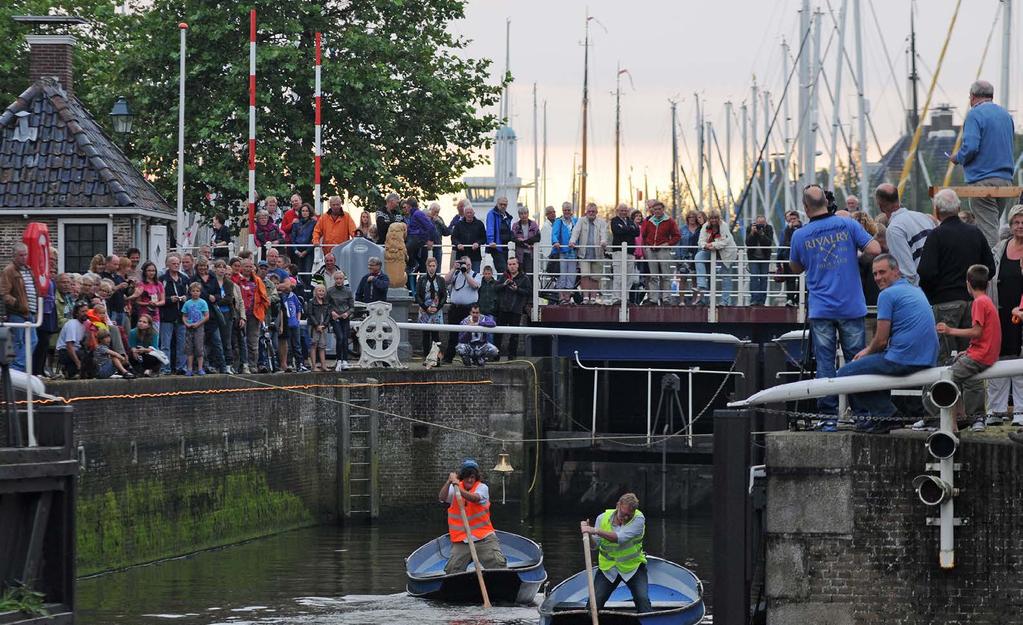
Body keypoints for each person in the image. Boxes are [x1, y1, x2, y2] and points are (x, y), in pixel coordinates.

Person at [789, 185, 881, 430]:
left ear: (806, 208)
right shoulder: (848, 225)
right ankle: (862, 416)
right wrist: (854, 257)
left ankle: (828, 418)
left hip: (821, 309)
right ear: (827, 204)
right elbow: (875, 249)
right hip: (851, 305)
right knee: (856, 362)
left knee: (825, 364)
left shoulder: (800, 235)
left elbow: (796, 268)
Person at [917, 189, 995, 426]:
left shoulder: (936, 236)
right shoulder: (975, 233)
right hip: (973, 304)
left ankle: (936, 416)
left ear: (937, 211)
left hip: (945, 303)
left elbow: (926, 272)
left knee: (941, 360)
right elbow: (989, 266)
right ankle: (976, 417)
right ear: (959, 207)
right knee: (972, 357)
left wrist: (933, 294)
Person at [835, 255, 939, 432]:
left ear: (896, 271)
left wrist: (866, 351)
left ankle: (886, 414)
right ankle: (881, 417)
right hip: (928, 358)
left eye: (882, 272)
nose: (877, 278)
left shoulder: (887, 295)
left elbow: (881, 340)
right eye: (875, 273)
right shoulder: (915, 289)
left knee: (845, 373)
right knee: (875, 365)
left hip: (904, 359)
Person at [949, 80, 1016, 248]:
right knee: (991, 225)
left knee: (988, 231)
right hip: (1006, 181)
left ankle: (992, 272)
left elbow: (971, 147)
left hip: (982, 181)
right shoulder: (1005, 115)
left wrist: (958, 157)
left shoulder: (974, 114)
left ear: (972, 97)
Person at [936, 264, 1002, 432]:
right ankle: (962, 416)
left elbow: (977, 332)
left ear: (968, 284)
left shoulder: (978, 303)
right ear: (987, 284)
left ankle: (954, 421)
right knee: (958, 368)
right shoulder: (987, 301)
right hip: (986, 352)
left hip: (982, 355)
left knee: (948, 378)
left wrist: (950, 330)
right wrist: (969, 349)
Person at [981, 204, 1023, 427]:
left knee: (1020, 363)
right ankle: (996, 410)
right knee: (997, 360)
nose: (1020, 226)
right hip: (1000, 311)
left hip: (1021, 315)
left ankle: (1020, 411)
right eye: (1016, 222)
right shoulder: (1000, 248)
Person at [579, 493, 652, 614]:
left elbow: (619, 538)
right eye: (623, 514)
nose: (626, 518)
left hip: (632, 568)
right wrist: (589, 535)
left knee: (642, 599)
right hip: (608, 569)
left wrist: (595, 530)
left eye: (629, 515)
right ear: (618, 505)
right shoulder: (602, 519)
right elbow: (594, 545)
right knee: (593, 604)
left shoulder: (639, 519)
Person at [438, 459, 507, 574]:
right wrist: (449, 482)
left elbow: (474, 498)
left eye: (473, 477)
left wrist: (457, 487)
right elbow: (442, 497)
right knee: (452, 569)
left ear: (476, 478)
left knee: (497, 565)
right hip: (462, 540)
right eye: (467, 477)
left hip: (484, 538)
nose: (470, 480)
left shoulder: (482, 488)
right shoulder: (454, 487)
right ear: (462, 477)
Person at [875, 184, 933, 286]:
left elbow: (907, 273)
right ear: (898, 199)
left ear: (880, 206)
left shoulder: (894, 229)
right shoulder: (923, 217)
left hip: (923, 291)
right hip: (939, 284)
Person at [0, 243, 38, 371]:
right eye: (21, 255)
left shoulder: (28, 269)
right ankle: (16, 368)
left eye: (25, 255)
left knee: (32, 340)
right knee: (19, 342)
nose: (24, 258)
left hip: (30, 312)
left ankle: (19, 367)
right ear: (14, 256)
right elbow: (4, 293)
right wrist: (17, 304)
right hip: (18, 312)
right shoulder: (9, 271)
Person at [639, 201, 681, 306]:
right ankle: (653, 299)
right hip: (651, 251)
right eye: (655, 209)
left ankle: (665, 298)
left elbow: (677, 236)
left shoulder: (669, 221)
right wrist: (646, 247)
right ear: (652, 210)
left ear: (663, 209)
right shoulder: (649, 221)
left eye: (659, 209)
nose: (657, 211)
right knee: (653, 276)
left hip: (663, 250)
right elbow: (643, 235)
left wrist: (668, 244)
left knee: (665, 275)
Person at [695, 209, 737, 306]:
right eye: (712, 218)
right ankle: (701, 284)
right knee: (699, 257)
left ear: (719, 218)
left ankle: (725, 301)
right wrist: (704, 245)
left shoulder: (724, 226)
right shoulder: (705, 226)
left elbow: (725, 242)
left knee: (726, 276)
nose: (714, 220)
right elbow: (700, 240)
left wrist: (712, 244)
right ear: (709, 219)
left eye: (715, 218)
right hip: (712, 250)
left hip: (726, 252)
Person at [443, 256, 481, 364]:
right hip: (455, 308)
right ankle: (448, 357)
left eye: (468, 265)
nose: (466, 266)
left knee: (469, 335)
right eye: (464, 264)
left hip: (468, 309)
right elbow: (445, 281)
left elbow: (475, 285)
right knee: (453, 334)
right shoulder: (455, 274)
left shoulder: (475, 274)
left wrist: (465, 273)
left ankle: (470, 357)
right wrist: (454, 268)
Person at [570, 203, 609, 304]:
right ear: (586, 212)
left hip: (598, 253)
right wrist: (572, 241)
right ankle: (585, 297)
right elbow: (576, 231)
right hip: (584, 253)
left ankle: (593, 298)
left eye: (593, 211)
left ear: (596, 212)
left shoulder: (601, 222)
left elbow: (603, 233)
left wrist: (603, 241)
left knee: (595, 277)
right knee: (585, 276)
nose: (591, 213)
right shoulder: (581, 221)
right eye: (589, 211)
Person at [237, 258, 269, 374]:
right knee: (240, 341)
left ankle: (252, 365)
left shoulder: (257, 281)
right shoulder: (238, 280)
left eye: (250, 267)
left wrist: (261, 309)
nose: (248, 269)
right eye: (245, 266)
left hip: (254, 315)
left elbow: (265, 298)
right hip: (241, 315)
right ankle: (241, 365)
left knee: (253, 342)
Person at [494, 257, 530, 360]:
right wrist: (504, 284)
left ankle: (512, 356)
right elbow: (495, 288)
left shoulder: (524, 278)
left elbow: (528, 292)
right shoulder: (504, 276)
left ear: (518, 265)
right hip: (503, 308)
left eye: (514, 264)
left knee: (514, 335)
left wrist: (517, 289)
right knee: (498, 334)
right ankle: (496, 355)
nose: (512, 266)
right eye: (510, 264)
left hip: (516, 309)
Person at [159, 255, 189, 375]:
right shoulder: (163, 279)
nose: (176, 265)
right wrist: (169, 299)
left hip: (181, 315)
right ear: (167, 265)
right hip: (167, 315)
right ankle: (165, 368)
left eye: (178, 263)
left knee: (182, 344)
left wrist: (185, 298)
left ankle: (181, 367)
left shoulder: (184, 278)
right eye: (173, 263)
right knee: (165, 344)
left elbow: (190, 294)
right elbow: (159, 297)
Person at [415, 257, 447, 361]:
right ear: (427, 267)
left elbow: (444, 296)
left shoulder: (440, 280)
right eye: (430, 266)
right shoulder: (421, 279)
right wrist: (425, 307)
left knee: (435, 334)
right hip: (425, 309)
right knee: (425, 334)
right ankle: (426, 355)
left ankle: (436, 356)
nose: (432, 268)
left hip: (436, 309)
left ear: (436, 267)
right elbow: (418, 295)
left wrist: (437, 308)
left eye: (433, 266)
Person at [609, 203, 640, 305]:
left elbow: (637, 232)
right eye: (621, 210)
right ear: (617, 211)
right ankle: (616, 298)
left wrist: (625, 228)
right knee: (618, 276)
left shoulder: (630, 221)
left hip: (630, 252)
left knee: (629, 276)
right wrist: (629, 229)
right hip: (618, 251)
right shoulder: (614, 221)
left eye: (625, 210)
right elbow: (617, 231)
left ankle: (625, 298)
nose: (623, 212)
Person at [326, 270, 355, 371]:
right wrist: (332, 312)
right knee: (340, 337)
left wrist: (347, 313)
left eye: (340, 279)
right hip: (335, 317)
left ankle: (345, 360)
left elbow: (352, 306)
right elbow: (327, 304)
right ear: (334, 279)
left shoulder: (348, 291)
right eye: (337, 279)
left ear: (343, 279)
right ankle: (339, 360)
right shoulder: (330, 291)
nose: (339, 281)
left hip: (345, 317)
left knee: (345, 338)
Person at [551, 202, 578, 305]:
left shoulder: (575, 220)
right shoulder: (559, 221)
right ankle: (561, 296)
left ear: (571, 211)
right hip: (562, 250)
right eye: (565, 210)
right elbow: (554, 233)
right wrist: (555, 242)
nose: (567, 212)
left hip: (573, 251)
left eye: (568, 210)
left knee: (571, 274)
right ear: (562, 211)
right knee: (562, 273)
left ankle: (568, 297)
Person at [180, 282, 210, 376]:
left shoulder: (203, 302)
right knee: (189, 349)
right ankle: (189, 369)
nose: (195, 293)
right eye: (193, 291)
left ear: (200, 292)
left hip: (199, 328)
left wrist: (198, 323)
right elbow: (184, 316)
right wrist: (186, 323)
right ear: (190, 292)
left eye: (197, 291)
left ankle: (200, 368)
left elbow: (206, 316)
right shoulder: (187, 303)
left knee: (199, 348)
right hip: (189, 328)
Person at [745, 214, 774, 306]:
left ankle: (762, 301)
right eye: (758, 223)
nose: (760, 225)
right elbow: (748, 243)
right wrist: (752, 233)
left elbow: (768, 243)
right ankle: (754, 299)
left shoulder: (769, 229)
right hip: (753, 257)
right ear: (755, 223)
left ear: (765, 223)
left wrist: (762, 234)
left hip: (765, 257)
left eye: (762, 223)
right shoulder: (750, 228)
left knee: (763, 279)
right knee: (754, 277)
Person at [277, 278, 304, 372]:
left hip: (294, 323)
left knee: (297, 344)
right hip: (286, 323)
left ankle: (299, 363)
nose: (289, 288)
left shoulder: (294, 296)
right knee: (287, 345)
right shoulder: (281, 296)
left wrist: (298, 320)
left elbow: (298, 309)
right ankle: (289, 363)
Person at [56, 303, 89, 379]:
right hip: (64, 351)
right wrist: (78, 363)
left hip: (78, 350)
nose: (85, 314)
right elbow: (69, 346)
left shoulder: (86, 324)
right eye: (83, 311)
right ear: (77, 313)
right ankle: (71, 372)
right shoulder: (72, 324)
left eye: (87, 311)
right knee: (82, 355)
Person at [451, 204, 487, 272]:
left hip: (475, 256)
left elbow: (484, 238)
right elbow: (453, 238)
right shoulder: (458, 224)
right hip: (461, 255)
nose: (469, 214)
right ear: (464, 214)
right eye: (467, 213)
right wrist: (458, 244)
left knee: (475, 276)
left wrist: (478, 243)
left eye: (471, 213)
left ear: (474, 213)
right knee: (460, 275)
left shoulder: (480, 224)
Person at [777, 211, 803, 306]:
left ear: (798, 219)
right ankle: (790, 299)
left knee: (801, 279)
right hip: (789, 257)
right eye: (790, 219)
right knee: (790, 279)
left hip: (801, 258)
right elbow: (785, 243)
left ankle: (798, 298)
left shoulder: (803, 228)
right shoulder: (786, 230)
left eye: (794, 219)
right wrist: (778, 262)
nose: (792, 221)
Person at [485, 196, 514, 273]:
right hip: (496, 246)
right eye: (501, 204)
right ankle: (501, 284)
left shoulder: (507, 216)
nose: (503, 206)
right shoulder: (492, 214)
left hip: (506, 247)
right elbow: (490, 228)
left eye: (505, 204)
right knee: (502, 269)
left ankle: (503, 284)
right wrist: (491, 241)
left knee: (506, 270)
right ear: (497, 204)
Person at [290, 203, 318, 279]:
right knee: (298, 273)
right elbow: (292, 238)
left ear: (309, 212)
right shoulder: (296, 223)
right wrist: (296, 251)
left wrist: (306, 251)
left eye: (306, 211)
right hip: (297, 250)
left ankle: (308, 289)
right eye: (303, 211)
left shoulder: (314, 223)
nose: (304, 212)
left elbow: (314, 238)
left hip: (308, 250)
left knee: (307, 272)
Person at [307, 284, 330, 371]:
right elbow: (310, 314)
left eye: (323, 291)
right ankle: (313, 366)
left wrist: (324, 325)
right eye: (319, 291)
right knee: (314, 345)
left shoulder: (326, 302)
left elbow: (328, 314)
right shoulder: (311, 302)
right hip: (315, 326)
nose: (321, 292)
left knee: (322, 346)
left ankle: (323, 365)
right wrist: (316, 325)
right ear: (315, 292)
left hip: (323, 326)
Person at [512, 206, 541, 273]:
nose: (523, 215)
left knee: (529, 274)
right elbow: (513, 239)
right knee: (520, 274)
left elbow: (538, 237)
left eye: (525, 213)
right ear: (519, 215)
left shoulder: (533, 224)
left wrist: (525, 241)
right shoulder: (515, 225)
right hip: (519, 254)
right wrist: (526, 245)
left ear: (528, 214)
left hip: (530, 253)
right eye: (521, 214)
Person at [427, 202, 450, 270]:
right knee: (428, 268)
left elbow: (447, 232)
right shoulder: (425, 218)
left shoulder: (439, 219)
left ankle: (437, 280)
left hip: (438, 247)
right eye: (435, 212)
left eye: (438, 212)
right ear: (430, 210)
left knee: (438, 268)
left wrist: (440, 222)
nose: (436, 214)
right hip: (428, 248)